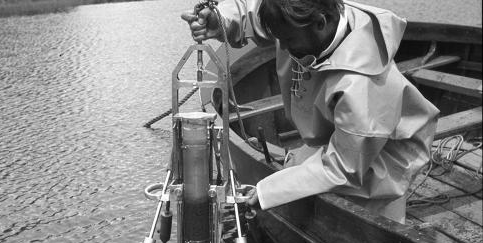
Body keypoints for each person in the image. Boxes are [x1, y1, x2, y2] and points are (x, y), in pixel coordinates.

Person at [181, 0, 439, 224]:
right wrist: (221, 20)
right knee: (307, 174)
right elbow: (256, 13)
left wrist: (269, 190)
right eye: (279, 37)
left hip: (381, 158)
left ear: (320, 23)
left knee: (374, 215)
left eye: (289, 40)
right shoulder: (303, 18)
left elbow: (344, 167)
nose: (282, 45)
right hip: (332, 137)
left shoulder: (363, 85)